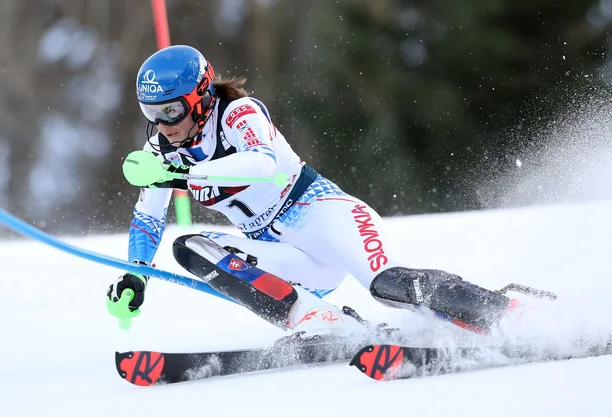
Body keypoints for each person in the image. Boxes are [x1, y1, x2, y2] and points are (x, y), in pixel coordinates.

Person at [107, 45, 520, 339]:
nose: (163, 125)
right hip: (285, 256)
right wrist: (135, 275)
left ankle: (513, 315)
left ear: (199, 96)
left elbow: (263, 164)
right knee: (191, 247)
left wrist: (182, 174)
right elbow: (148, 215)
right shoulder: (161, 150)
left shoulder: (238, 113)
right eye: (151, 114)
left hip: (321, 215)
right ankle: (320, 320)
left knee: (389, 284)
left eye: (171, 111)